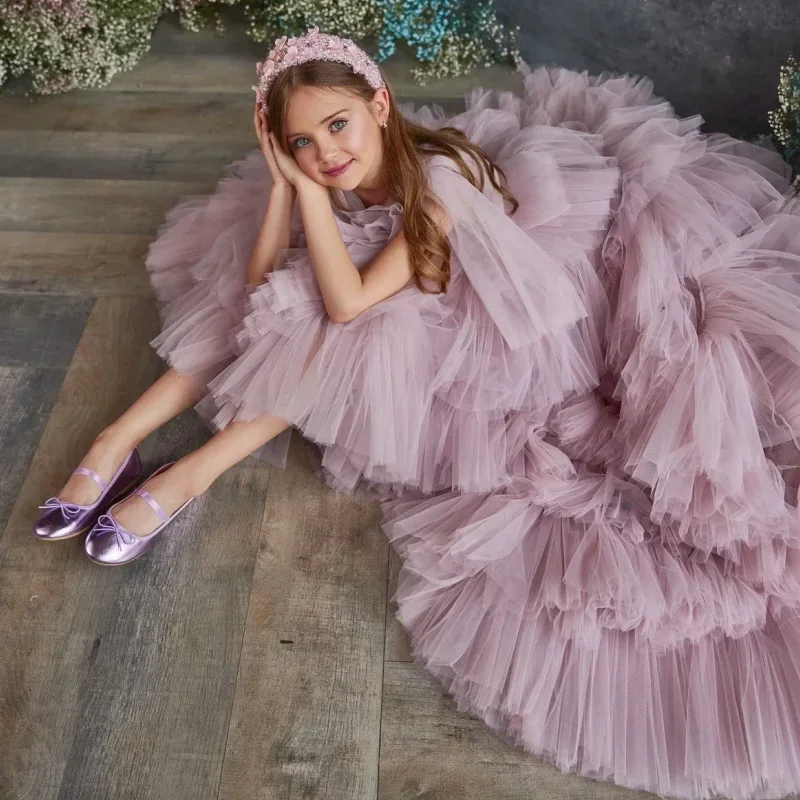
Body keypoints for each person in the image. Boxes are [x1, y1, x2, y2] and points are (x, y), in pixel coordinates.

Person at [32, 25, 800, 800]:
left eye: (339, 125)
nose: (326, 154)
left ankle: (185, 478)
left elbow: (350, 301)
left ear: (380, 105)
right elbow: (254, 293)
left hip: (519, 330)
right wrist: (279, 191)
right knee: (263, 307)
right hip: (408, 296)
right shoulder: (324, 178)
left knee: (337, 339)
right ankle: (115, 440)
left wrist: (304, 196)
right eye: (301, 142)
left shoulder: (433, 182)